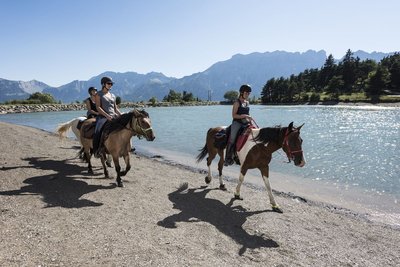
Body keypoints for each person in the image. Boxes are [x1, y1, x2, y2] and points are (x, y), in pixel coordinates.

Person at [92, 76, 122, 157]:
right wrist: (107, 116)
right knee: (98, 131)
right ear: (103, 84)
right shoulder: (99, 94)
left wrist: (121, 115)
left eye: (111, 84)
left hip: (113, 116)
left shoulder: (113, 95)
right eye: (108, 83)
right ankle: (97, 150)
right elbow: (98, 107)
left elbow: (115, 109)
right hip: (103, 117)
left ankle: (126, 146)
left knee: (125, 126)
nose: (110, 85)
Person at [224, 84, 252, 166]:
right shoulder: (237, 103)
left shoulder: (247, 102)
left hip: (246, 123)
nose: (248, 95)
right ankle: (228, 158)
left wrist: (249, 118)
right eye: (246, 93)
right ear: (242, 93)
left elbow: (247, 113)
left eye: (249, 93)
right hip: (237, 123)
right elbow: (234, 115)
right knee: (232, 139)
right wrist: (244, 116)